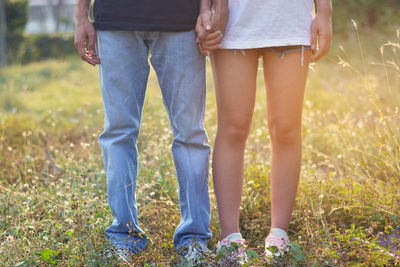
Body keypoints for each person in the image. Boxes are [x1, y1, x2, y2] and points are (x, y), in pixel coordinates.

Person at [74, 0, 226, 262]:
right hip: (115, 19)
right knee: (119, 132)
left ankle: (195, 237)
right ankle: (123, 234)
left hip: (181, 19)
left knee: (190, 132)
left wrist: (205, 9)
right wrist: (81, 15)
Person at [198, 0, 332, 263]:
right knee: (233, 126)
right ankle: (230, 237)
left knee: (286, 128)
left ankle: (279, 234)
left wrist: (325, 11)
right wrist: (208, 8)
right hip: (233, 19)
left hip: (291, 19)